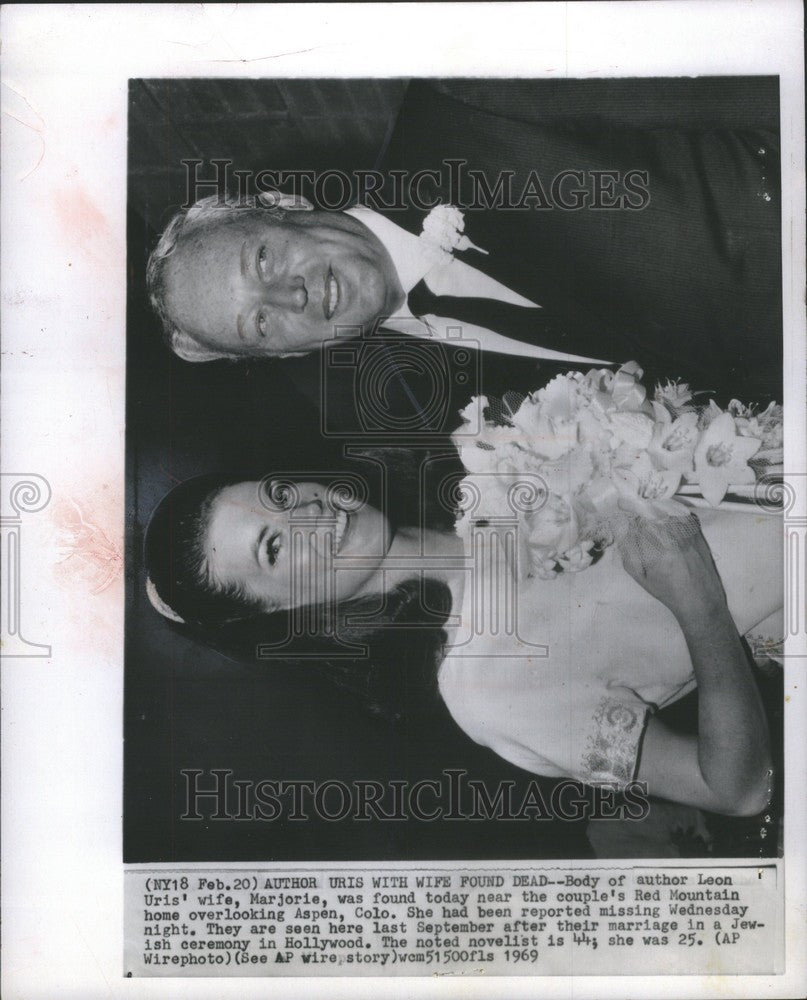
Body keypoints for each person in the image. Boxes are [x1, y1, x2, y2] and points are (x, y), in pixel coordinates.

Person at [144, 464, 780, 818]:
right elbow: (734, 788)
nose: (307, 512)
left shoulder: (485, 477)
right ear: (281, 612)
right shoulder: (487, 685)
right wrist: (701, 609)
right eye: (275, 546)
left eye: (278, 493)